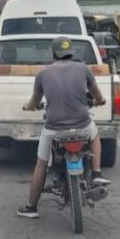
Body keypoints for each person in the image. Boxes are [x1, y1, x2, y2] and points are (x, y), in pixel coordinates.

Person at [17, 37, 109, 219]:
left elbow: (34, 101)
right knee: (95, 135)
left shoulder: (43, 74)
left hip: (53, 128)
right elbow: (97, 95)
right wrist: (99, 101)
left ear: (53, 53)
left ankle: (31, 207)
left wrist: (29, 107)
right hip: (82, 124)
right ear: (71, 52)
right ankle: (97, 173)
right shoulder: (83, 69)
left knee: (41, 164)